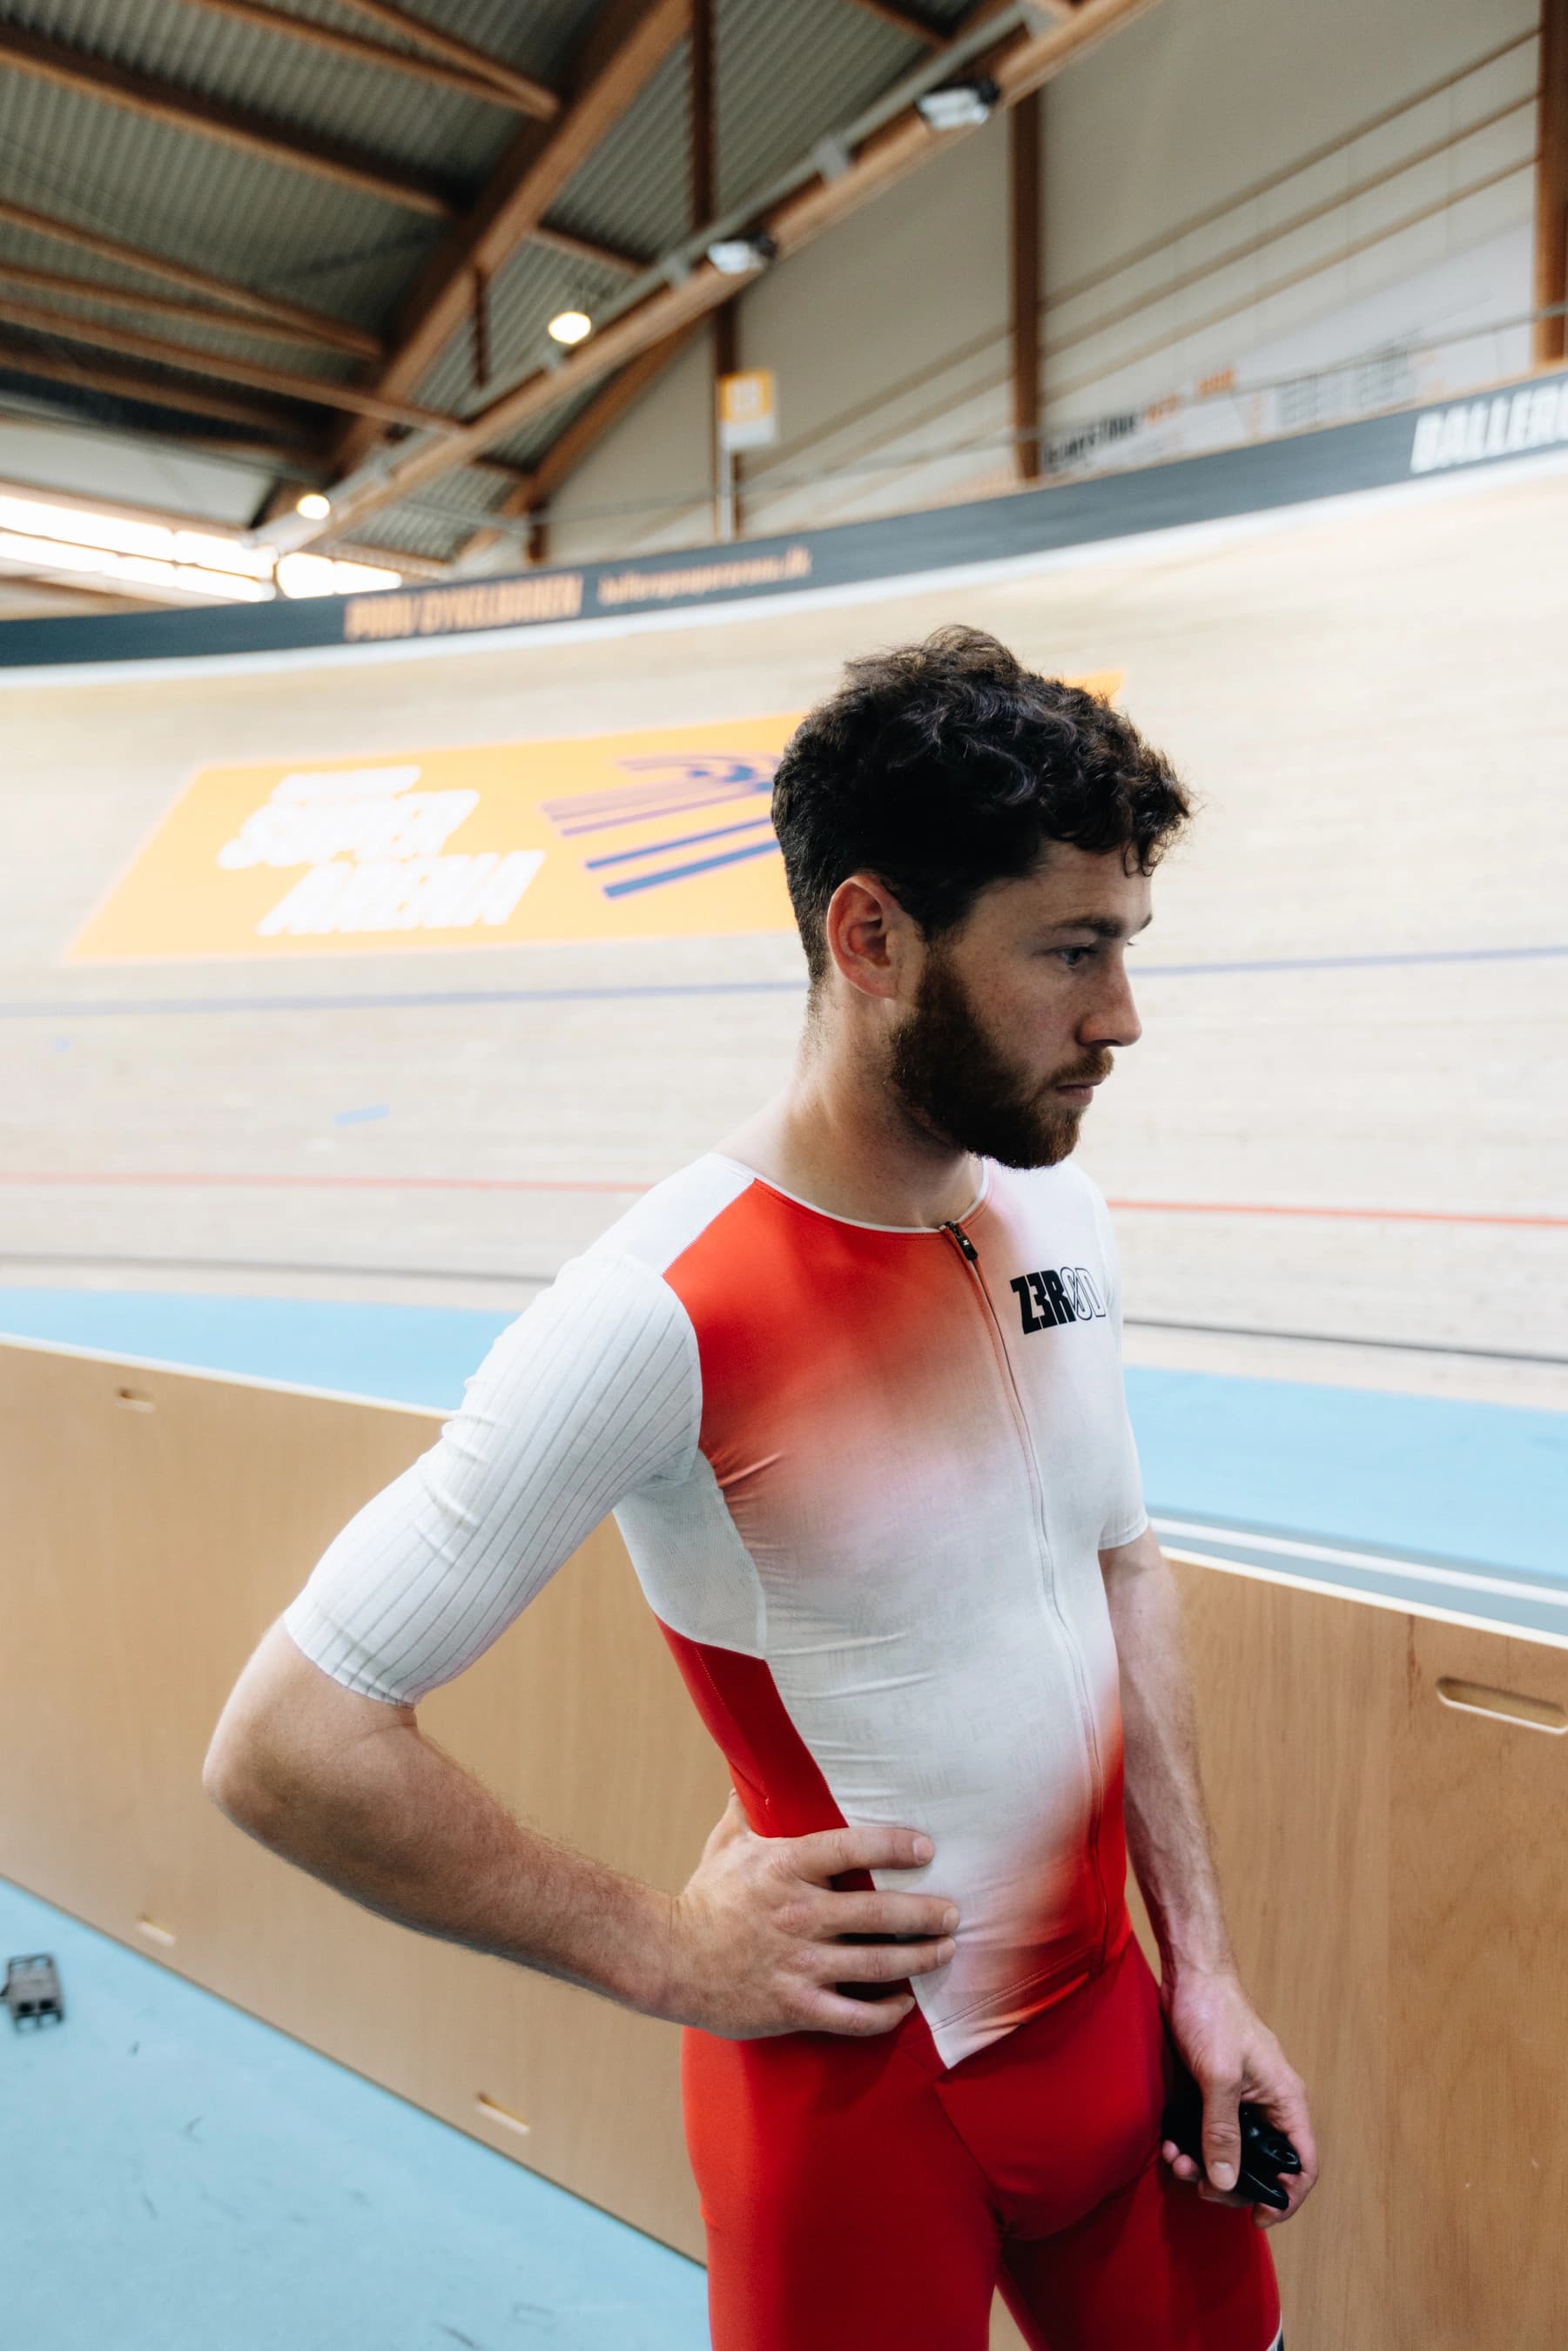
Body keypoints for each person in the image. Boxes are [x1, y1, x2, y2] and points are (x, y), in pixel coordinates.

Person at [204, 626, 1316, 2349]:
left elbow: (1116, 1566)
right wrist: (662, 1949)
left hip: (1111, 2038)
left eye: (1127, 946)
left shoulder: (1056, 1211)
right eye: (1071, 952)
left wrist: (1209, 1975)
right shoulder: (656, 1309)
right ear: (869, 937)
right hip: (858, 2108)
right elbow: (286, 1744)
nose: (1121, 1018)